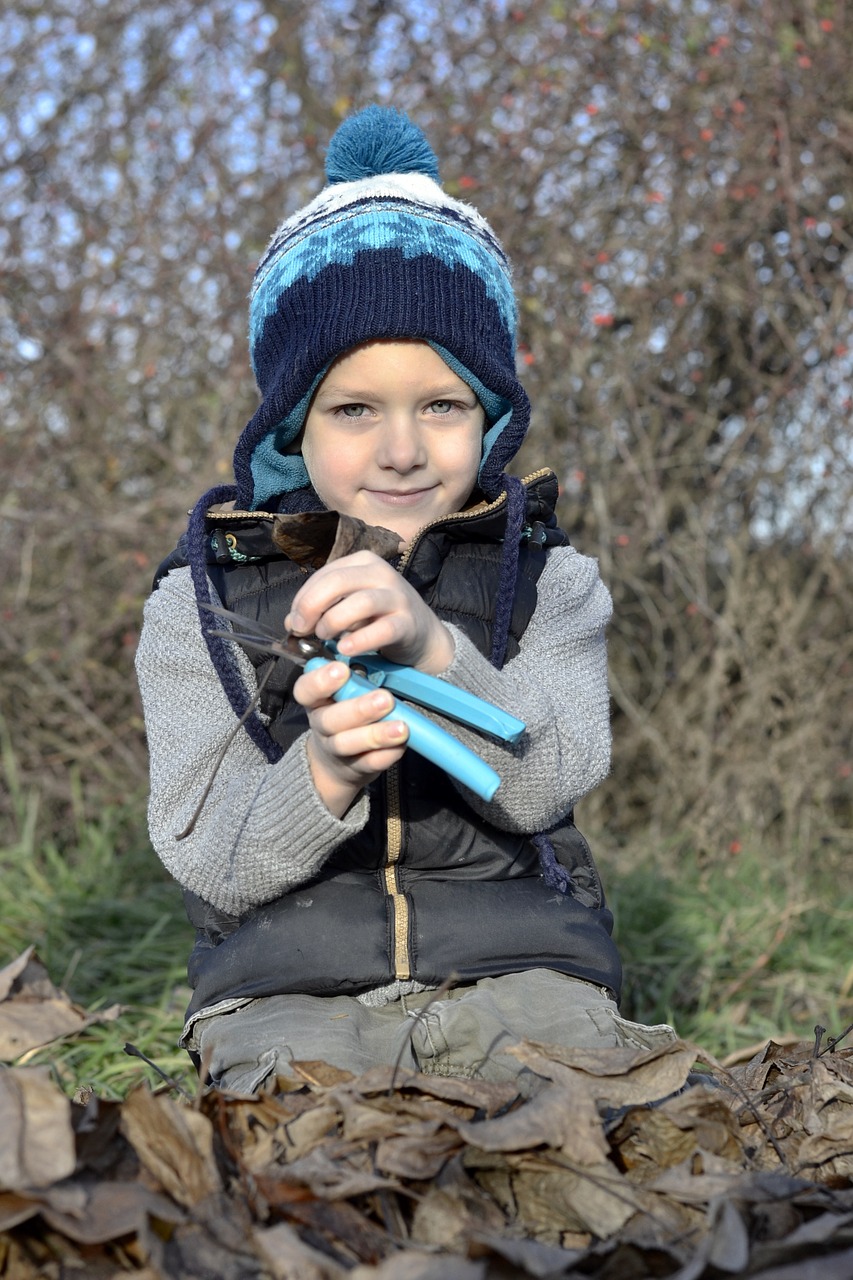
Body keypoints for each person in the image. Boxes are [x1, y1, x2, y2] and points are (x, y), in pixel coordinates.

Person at [136, 105, 675, 1095]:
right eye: (353, 408)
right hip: (281, 983)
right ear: (290, 428)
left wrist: (435, 650)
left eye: (442, 404)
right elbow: (210, 856)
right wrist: (327, 772)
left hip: (522, 963)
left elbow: (545, 777)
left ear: (493, 417)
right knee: (299, 1159)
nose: (400, 446)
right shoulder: (198, 607)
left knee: (577, 1120)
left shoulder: (549, 581)